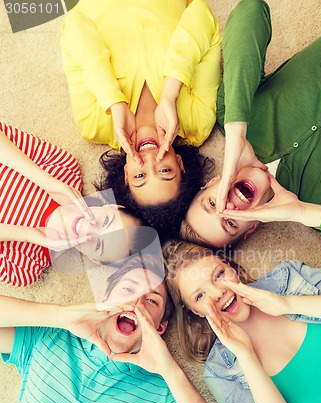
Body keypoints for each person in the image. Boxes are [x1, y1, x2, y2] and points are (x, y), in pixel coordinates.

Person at [0, 254, 249, 403]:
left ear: (160, 327)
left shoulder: (163, 395)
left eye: (152, 301)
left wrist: (170, 370)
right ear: (106, 298)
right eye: (128, 290)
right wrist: (62, 317)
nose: (136, 303)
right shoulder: (50, 338)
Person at [60, 0, 220, 239]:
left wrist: (114, 102)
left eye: (140, 176)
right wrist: (170, 93)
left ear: (125, 175)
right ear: (181, 164)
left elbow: (73, 25)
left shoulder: (93, 124)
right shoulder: (198, 121)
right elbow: (201, 13)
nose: (149, 160)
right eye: (165, 170)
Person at [181, 0, 321, 248]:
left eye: (213, 203)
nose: (228, 207)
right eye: (230, 222)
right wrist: (301, 212)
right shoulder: (317, 211)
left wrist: (237, 130)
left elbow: (251, 11)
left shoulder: (230, 116)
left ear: (211, 184)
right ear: (250, 228)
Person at [164, 240, 321, 403]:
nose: (217, 292)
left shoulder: (289, 278)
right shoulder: (220, 372)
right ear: (195, 312)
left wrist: (289, 304)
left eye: (218, 275)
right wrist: (247, 357)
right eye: (200, 296)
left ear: (231, 268)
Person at [0, 122, 142, 286]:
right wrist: (46, 181)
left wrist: (27, 234)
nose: (89, 228)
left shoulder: (26, 267)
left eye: (98, 244)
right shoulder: (65, 169)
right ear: (111, 207)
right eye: (105, 221)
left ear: (95, 260)